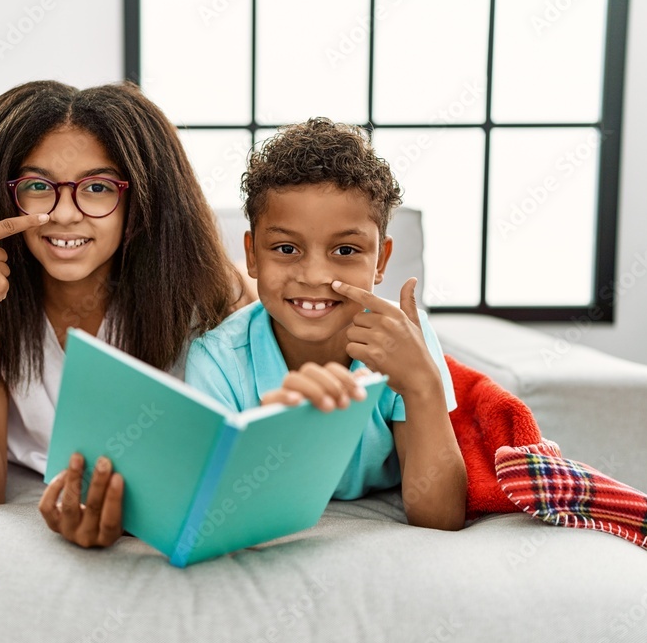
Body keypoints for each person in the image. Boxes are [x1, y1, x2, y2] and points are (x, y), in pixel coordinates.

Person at [0, 80, 250, 549]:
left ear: (142, 199)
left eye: (96, 188)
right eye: (38, 186)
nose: (65, 214)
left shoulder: (210, 297)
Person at [184, 117, 468, 530]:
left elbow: (440, 517)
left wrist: (421, 385)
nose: (315, 276)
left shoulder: (404, 336)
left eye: (346, 249)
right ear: (252, 255)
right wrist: (271, 434)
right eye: (285, 248)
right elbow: (215, 508)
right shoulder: (217, 360)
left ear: (381, 261)